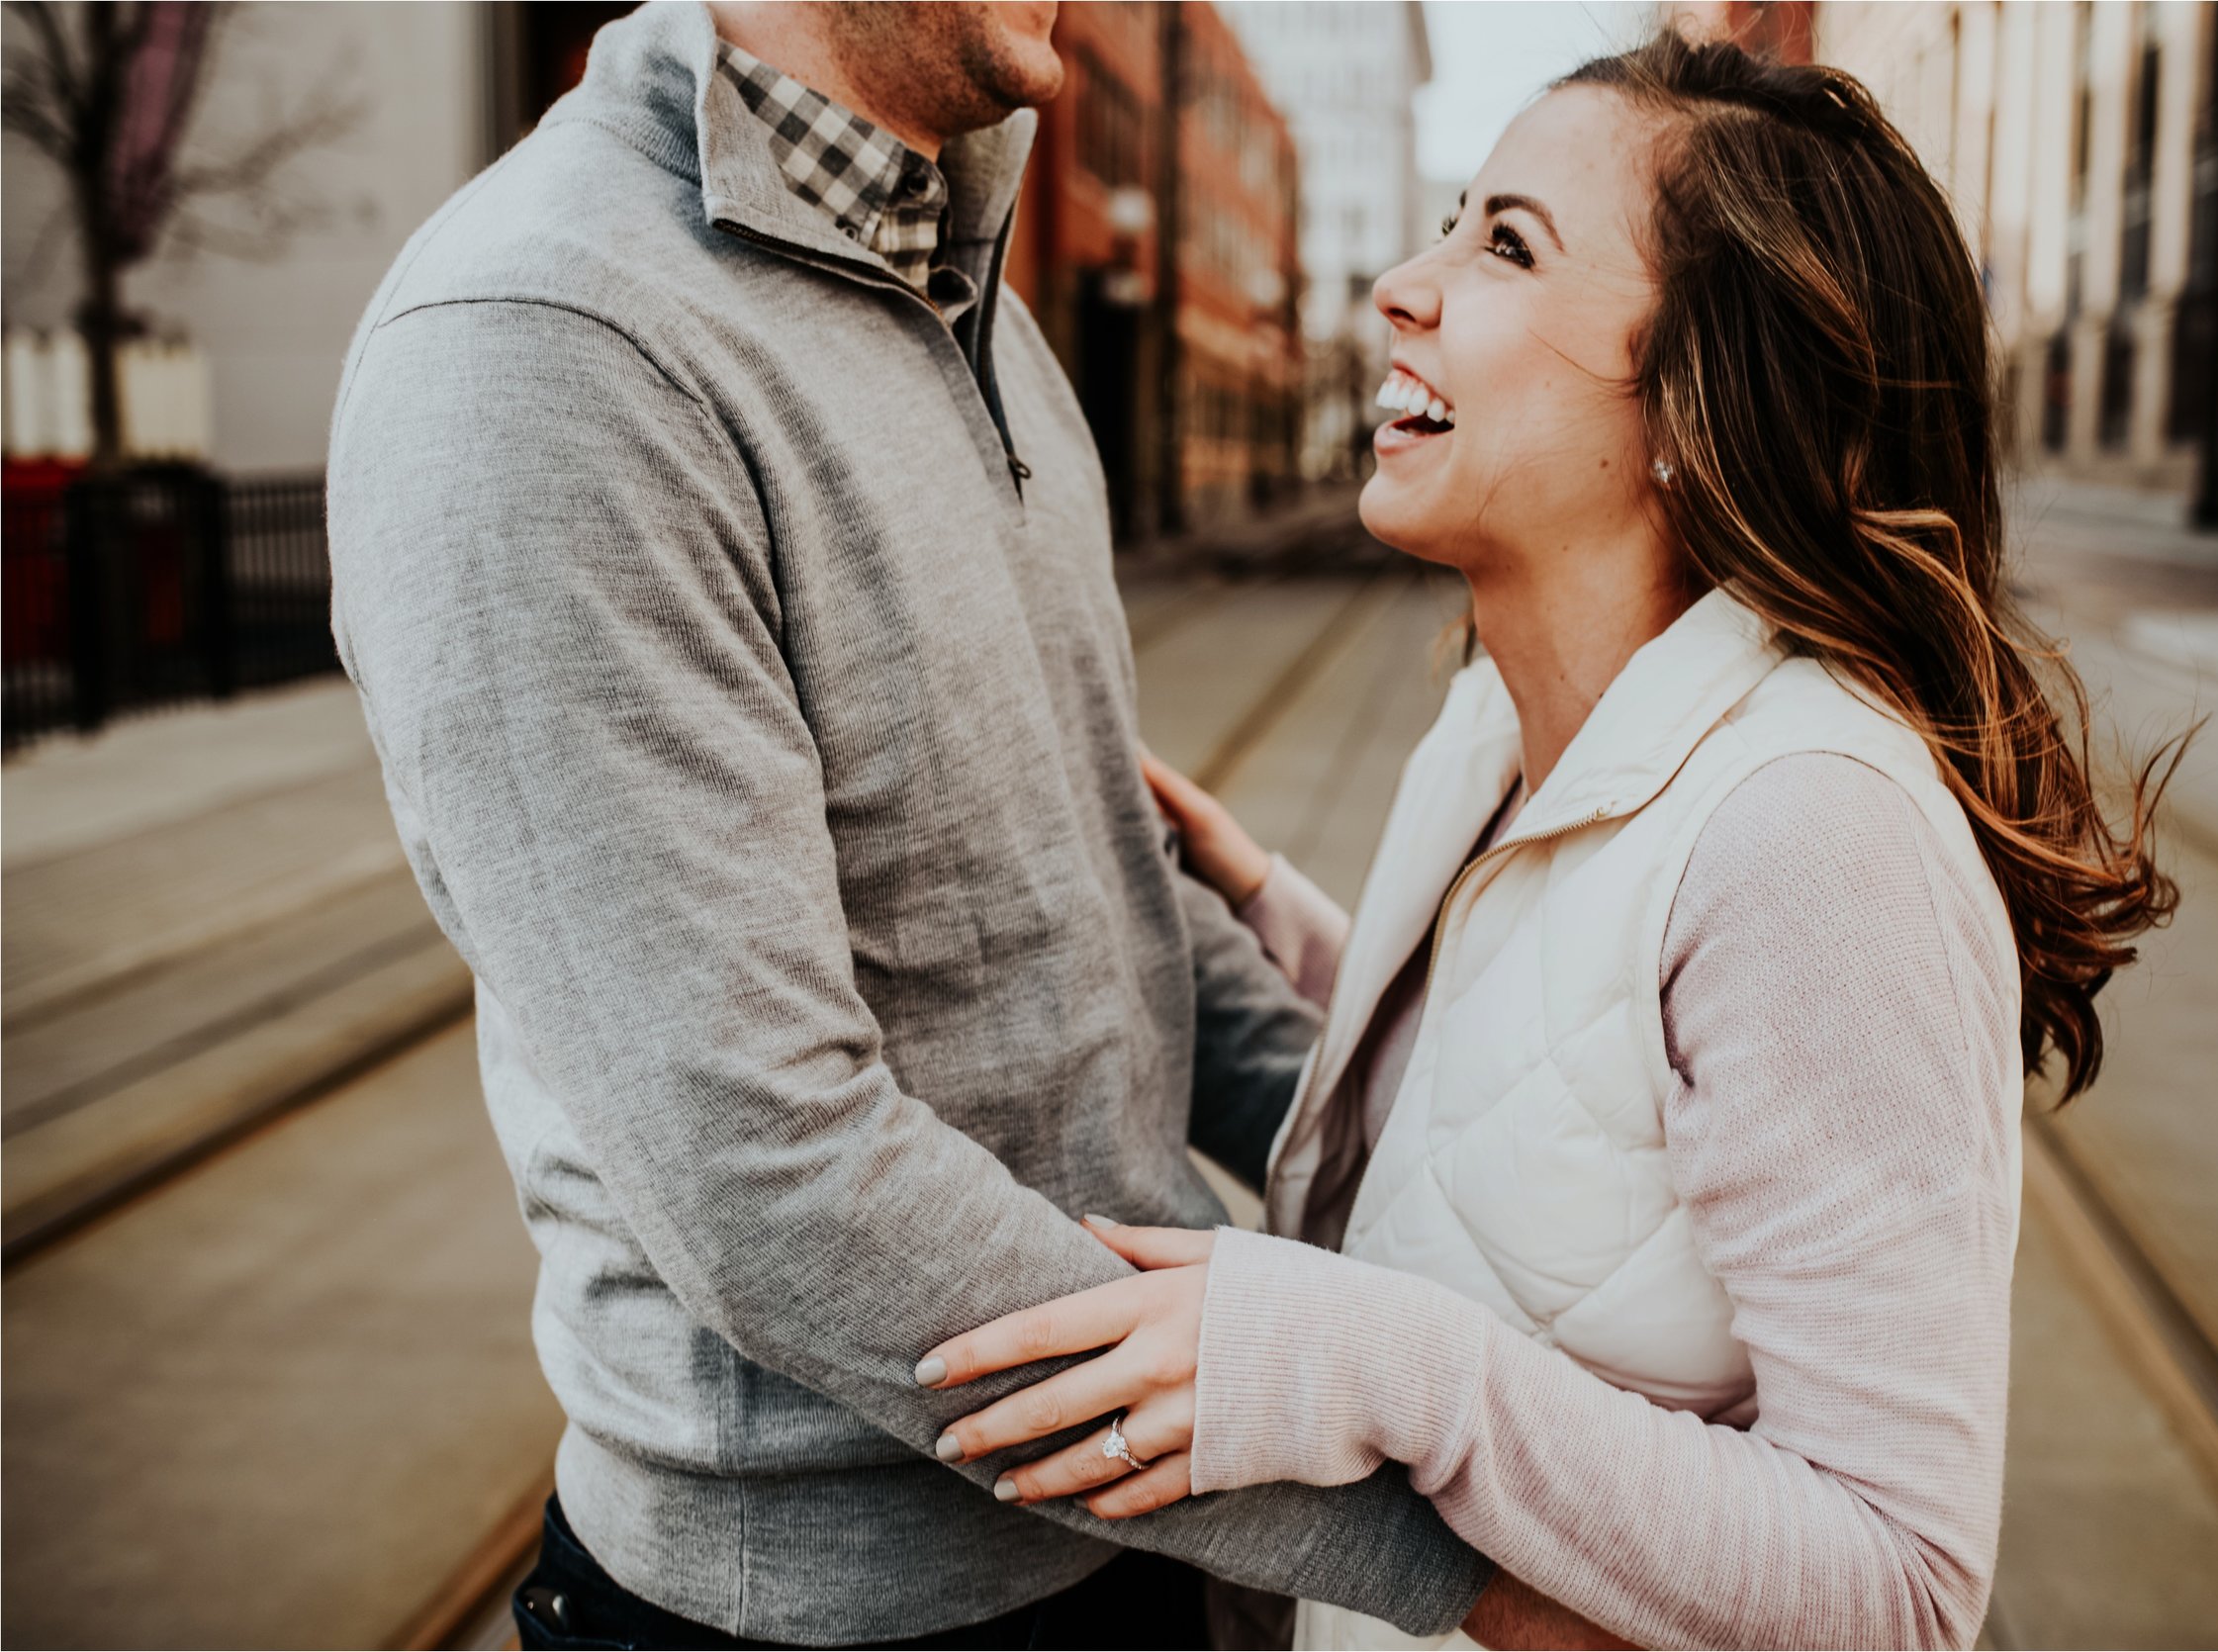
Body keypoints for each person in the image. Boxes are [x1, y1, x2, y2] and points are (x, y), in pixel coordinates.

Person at [325, 3, 1590, 1646]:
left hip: (1131, 1544)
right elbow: (770, 1177)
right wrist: (1458, 1567)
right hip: (834, 1613)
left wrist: (1492, 1172)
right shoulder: (541, 343)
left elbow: (1110, 908)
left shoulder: (972, 295)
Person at [921, 35, 2183, 1651]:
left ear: (1695, 400)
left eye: (1505, 244)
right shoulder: (1498, 729)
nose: (1401, 284)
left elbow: (1900, 1592)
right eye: (1450, 221)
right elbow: (1567, 1087)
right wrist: (1286, 920)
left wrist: (1385, 1368)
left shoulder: (1815, 839)